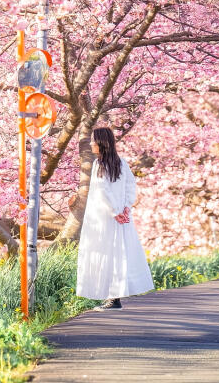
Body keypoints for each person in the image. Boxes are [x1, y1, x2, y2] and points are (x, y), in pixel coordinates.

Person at [76, 126, 155, 309]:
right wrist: (126, 208)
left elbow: (103, 190)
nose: (91, 143)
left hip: (104, 219)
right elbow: (130, 186)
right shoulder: (122, 163)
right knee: (118, 254)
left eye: (93, 140)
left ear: (101, 143)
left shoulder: (99, 165)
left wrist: (115, 211)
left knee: (105, 253)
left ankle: (112, 297)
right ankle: (114, 296)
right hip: (120, 218)